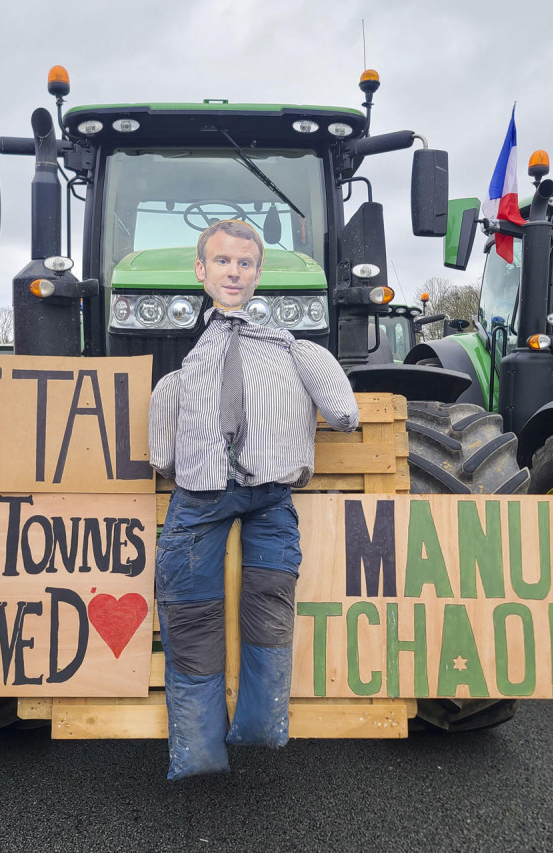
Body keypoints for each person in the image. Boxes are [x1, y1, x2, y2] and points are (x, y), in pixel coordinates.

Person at [148, 219, 359, 780]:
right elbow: (164, 451)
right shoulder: (187, 368)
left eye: (244, 263)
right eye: (222, 262)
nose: (233, 272)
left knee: (270, 610)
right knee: (191, 619)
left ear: (258, 273)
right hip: (200, 496)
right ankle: (197, 751)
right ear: (202, 270)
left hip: (270, 494)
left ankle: (262, 727)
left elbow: (344, 413)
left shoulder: (292, 349)